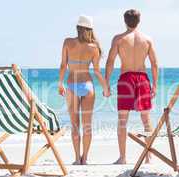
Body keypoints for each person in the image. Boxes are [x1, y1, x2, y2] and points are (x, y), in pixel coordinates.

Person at [105, 9, 158, 164]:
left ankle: (122, 158)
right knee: (146, 119)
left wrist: (107, 83)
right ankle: (148, 156)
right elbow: (154, 63)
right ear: (139, 21)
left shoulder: (119, 39)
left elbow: (110, 62)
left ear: (125, 21)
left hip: (126, 79)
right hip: (142, 79)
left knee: (122, 120)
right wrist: (154, 84)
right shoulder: (147, 39)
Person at [59, 15, 109, 165]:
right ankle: (85, 158)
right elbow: (97, 72)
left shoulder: (68, 42)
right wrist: (106, 87)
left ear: (77, 27)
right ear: (90, 29)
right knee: (87, 125)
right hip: (88, 86)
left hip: (72, 85)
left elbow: (63, 66)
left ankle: (76, 159)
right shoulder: (94, 47)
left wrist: (60, 84)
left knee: (75, 125)